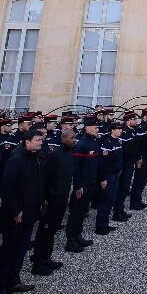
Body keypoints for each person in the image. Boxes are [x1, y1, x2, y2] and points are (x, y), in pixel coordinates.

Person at [0, 130, 44, 294]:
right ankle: (0, 288)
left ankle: (13, 281)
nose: (41, 142)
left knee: (21, 249)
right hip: (16, 215)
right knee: (9, 250)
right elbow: (7, 187)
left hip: (29, 212)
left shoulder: (33, 156)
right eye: (37, 140)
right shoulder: (16, 159)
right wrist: (15, 211)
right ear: (27, 142)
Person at [31, 126, 75, 276]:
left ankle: (46, 257)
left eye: (74, 138)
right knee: (45, 230)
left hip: (62, 198)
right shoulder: (54, 155)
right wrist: (44, 199)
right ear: (63, 139)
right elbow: (43, 178)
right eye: (71, 138)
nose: (74, 141)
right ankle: (37, 262)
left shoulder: (69, 154)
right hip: (52, 199)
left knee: (53, 229)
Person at [66, 115, 100, 252]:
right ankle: (70, 240)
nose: (97, 129)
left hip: (91, 182)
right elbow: (77, 167)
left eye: (98, 127)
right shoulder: (82, 144)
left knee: (83, 211)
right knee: (76, 212)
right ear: (87, 128)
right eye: (95, 127)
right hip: (83, 184)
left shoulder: (94, 142)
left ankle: (78, 235)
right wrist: (78, 185)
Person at [95, 122, 124, 235]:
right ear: (112, 130)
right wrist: (103, 178)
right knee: (105, 201)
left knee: (110, 200)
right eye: (118, 129)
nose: (120, 131)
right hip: (108, 176)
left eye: (121, 129)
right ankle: (100, 227)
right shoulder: (106, 144)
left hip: (116, 174)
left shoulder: (118, 142)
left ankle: (105, 224)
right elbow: (102, 163)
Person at [114, 113, 141, 221]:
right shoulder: (124, 133)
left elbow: (135, 148)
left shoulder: (132, 132)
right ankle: (117, 212)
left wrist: (137, 158)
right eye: (134, 119)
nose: (136, 121)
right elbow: (124, 151)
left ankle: (120, 210)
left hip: (130, 163)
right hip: (124, 164)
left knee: (125, 189)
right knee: (122, 188)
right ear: (128, 121)